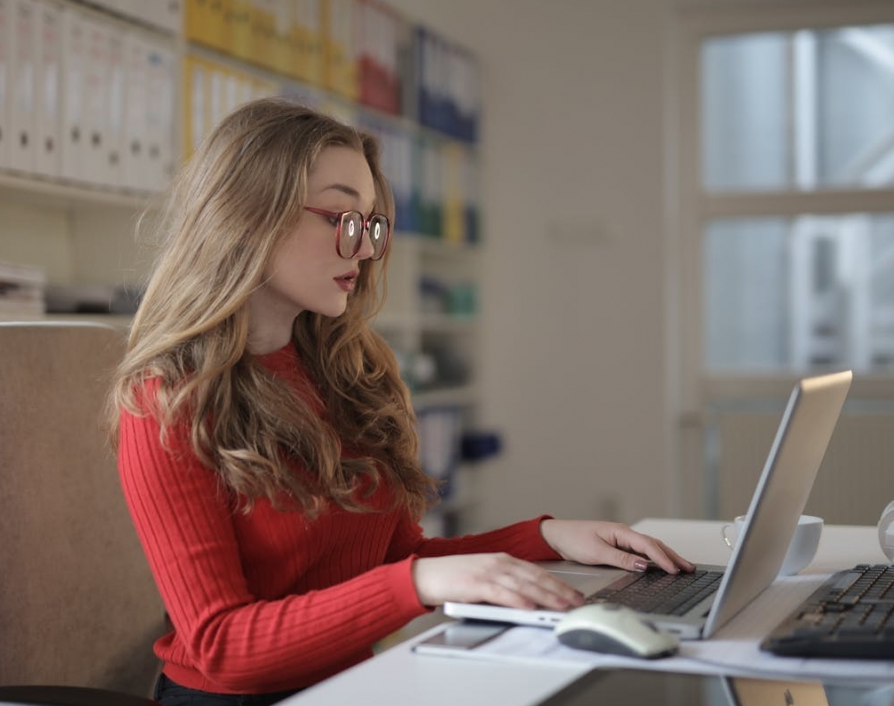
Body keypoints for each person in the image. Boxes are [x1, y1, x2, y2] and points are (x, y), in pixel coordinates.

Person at [109, 97, 695, 706]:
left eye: (370, 225)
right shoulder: (168, 399)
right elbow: (220, 646)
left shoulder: (344, 372)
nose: (363, 250)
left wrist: (549, 537)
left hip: (357, 685)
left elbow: (396, 561)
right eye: (342, 217)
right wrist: (417, 580)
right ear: (249, 215)